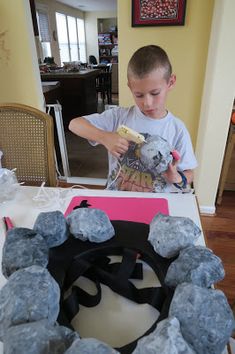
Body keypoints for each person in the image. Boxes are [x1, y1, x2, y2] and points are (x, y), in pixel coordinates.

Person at [69, 45, 197, 193]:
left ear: (171, 82)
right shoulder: (118, 117)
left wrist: (177, 177)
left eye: (155, 93)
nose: (147, 103)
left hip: (157, 206)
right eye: (139, 95)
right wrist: (105, 137)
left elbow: (189, 173)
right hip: (118, 200)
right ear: (130, 87)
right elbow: (74, 124)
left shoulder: (177, 129)